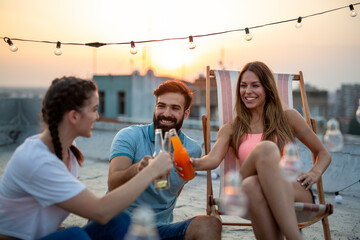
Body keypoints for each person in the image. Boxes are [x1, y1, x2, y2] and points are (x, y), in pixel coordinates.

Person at [0, 77, 173, 240]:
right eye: (94, 109)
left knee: (118, 220)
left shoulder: (68, 149)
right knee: (76, 236)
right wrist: (152, 171)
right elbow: (100, 211)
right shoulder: (37, 160)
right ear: (74, 116)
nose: (97, 116)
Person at [191, 61, 331, 240]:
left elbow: (323, 153)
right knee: (265, 150)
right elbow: (212, 159)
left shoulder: (288, 117)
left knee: (252, 185)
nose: (247, 91)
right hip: (244, 183)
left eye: (255, 85)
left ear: (267, 88)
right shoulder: (231, 128)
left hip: (292, 188)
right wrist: (193, 162)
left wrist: (315, 172)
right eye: (243, 86)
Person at [108, 80, 222, 240]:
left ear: (186, 113)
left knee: (211, 224)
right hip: (119, 225)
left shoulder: (192, 150)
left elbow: (171, 194)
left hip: (159, 230)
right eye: (161, 106)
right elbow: (112, 184)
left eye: (175, 108)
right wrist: (139, 169)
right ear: (155, 107)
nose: (166, 113)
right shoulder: (129, 136)